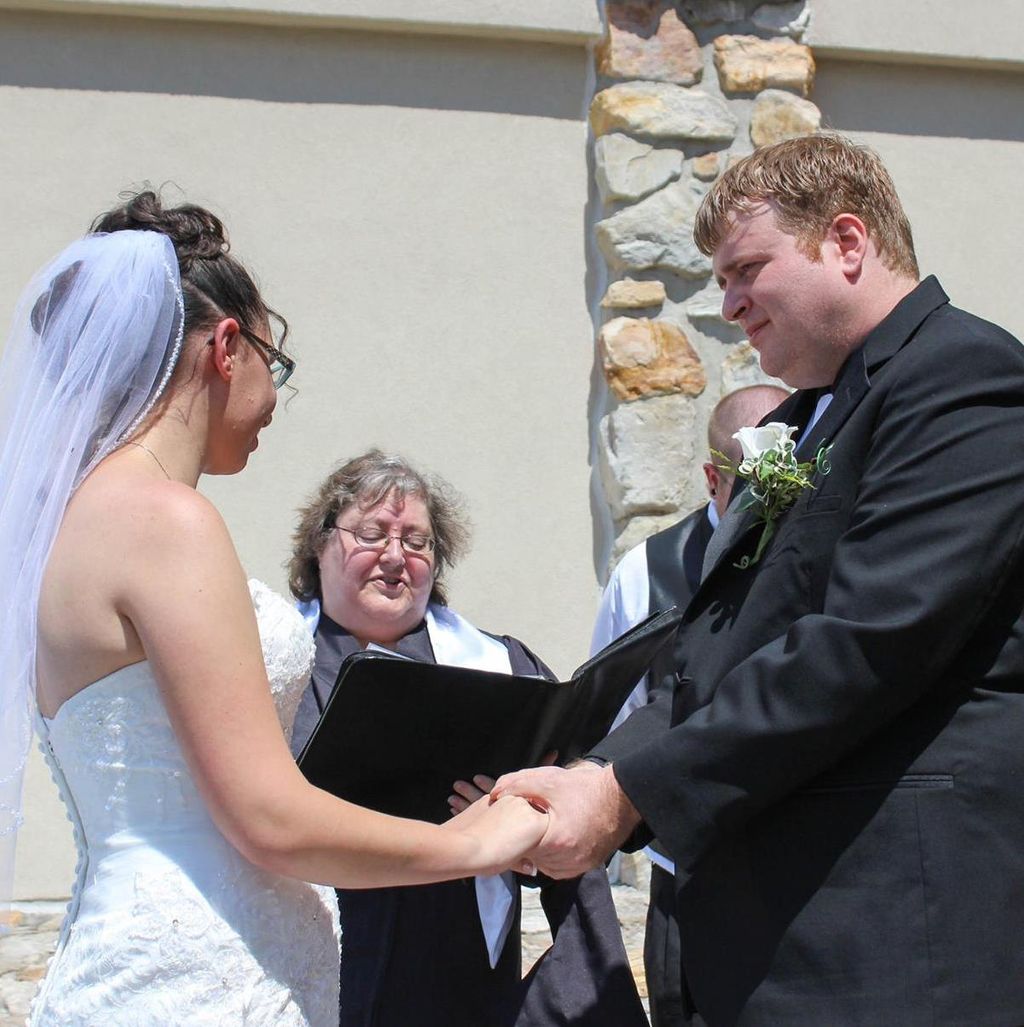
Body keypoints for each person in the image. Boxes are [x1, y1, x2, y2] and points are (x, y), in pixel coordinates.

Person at [495, 133, 1024, 1023]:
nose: (730, 304)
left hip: (895, 945)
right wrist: (589, 771)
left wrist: (625, 796)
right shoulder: (815, 416)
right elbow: (715, 657)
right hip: (779, 946)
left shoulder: (961, 377)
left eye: (746, 270)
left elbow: (867, 643)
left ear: (847, 242)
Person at [0, 192, 546, 1026]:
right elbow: (264, 816)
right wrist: (471, 843)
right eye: (273, 363)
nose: (272, 400)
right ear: (226, 348)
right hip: (200, 980)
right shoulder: (165, 520)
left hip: (129, 955)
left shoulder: (67, 522)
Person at [288, 451, 647, 1027]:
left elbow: (570, 800)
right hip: (313, 942)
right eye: (372, 534)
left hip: (453, 966)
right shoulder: (269, 666)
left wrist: (522, 818)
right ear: (320, 544)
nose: (395, 557)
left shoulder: (500, 667)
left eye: (417, 542)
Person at [589, 384, 787, 1027]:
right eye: (752, 482)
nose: (772, 500)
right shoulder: (645, 572)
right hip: (685, 875)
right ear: (712, 478)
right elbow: (615, 716)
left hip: (803, 868)